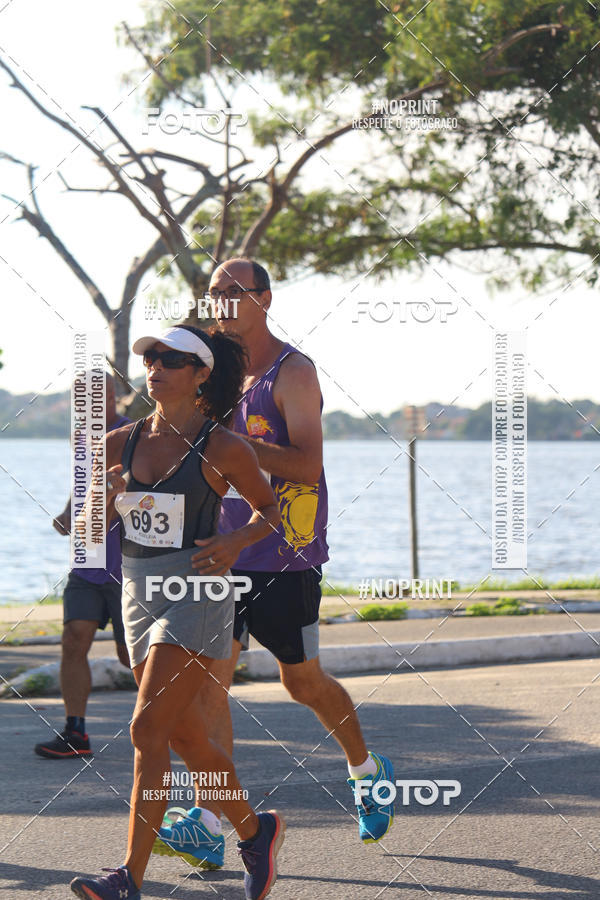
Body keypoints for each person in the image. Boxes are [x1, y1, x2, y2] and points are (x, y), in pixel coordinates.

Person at [153, 259, 394, 872]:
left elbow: (307, 466)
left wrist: (229, 448)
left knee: (300, 682)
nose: (222, 304)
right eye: (213, 294)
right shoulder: (209, 372)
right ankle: (209, 822)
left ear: (264, 298)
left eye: (234, 293)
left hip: (283, 551)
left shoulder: (293, 372)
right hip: (216, 551)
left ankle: (367, 772)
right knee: (211, 683)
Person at [70, 324, 285, 900]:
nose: (155, 367)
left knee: (145, 728)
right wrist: (93, 503)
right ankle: (254, 830)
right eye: (150, 358)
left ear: (200, 375)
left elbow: (272, 511)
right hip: (138, 592)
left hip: (198, 591)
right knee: (186, 738)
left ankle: (128, 878)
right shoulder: (122, 441)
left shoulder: (223, 447)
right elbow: (80, 520)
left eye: (170, 359)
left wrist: (235, 544)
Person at [35, 373, 131, 760]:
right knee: (74, 640)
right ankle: (76, 733)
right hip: (87, 562)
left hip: (128, 568)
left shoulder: (131, 436)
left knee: (132, 656)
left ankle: (175, 725)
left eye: (98, 398)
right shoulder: (83, 441)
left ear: (114, 399)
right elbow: (84, 486)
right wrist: (66, 513)